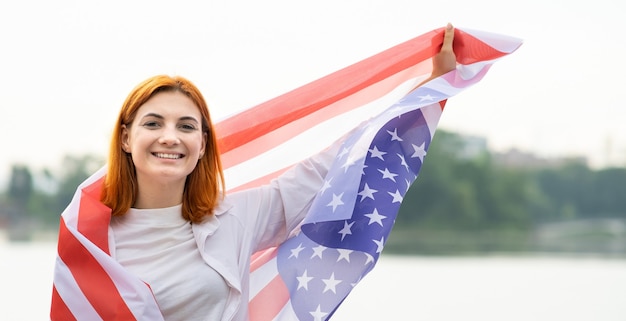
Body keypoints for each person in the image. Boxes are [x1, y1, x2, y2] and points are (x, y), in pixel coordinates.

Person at [53, 24, 456, 321]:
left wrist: (425, 92)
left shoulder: (233, 218)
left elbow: (332, 164)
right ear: (126, 138)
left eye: (187, 126)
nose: (170, 137)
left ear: (203, 146)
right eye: (153, 123)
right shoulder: (89, 239)